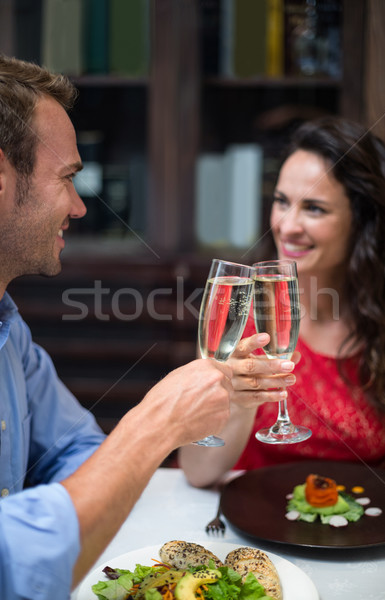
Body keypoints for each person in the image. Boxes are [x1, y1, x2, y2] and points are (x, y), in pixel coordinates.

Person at [0, 54, 294, 599]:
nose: (80, 206)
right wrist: (156, 423)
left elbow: (75, 450)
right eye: (67, 179)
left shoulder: (10, 334)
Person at [179, 115, 385, 488]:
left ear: (362, 222)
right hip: (250, 518)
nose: (286, 225)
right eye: (282, 201)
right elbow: (198, 472)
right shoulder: (241, 317)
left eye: (314, 208)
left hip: (362, 526)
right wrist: (233, 397)